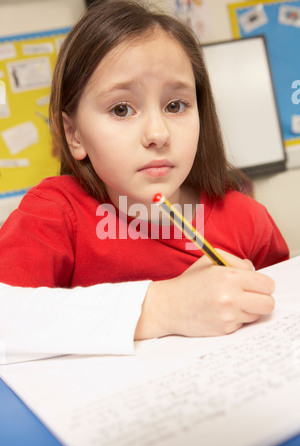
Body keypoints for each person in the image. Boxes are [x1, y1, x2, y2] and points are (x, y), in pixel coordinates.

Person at [0, 0, 289, 361]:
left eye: (175, 106)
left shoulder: (248, 220)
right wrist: (162, 306)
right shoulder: (55, 214)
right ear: (74, 135)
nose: (157, 133)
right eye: (121, 109)